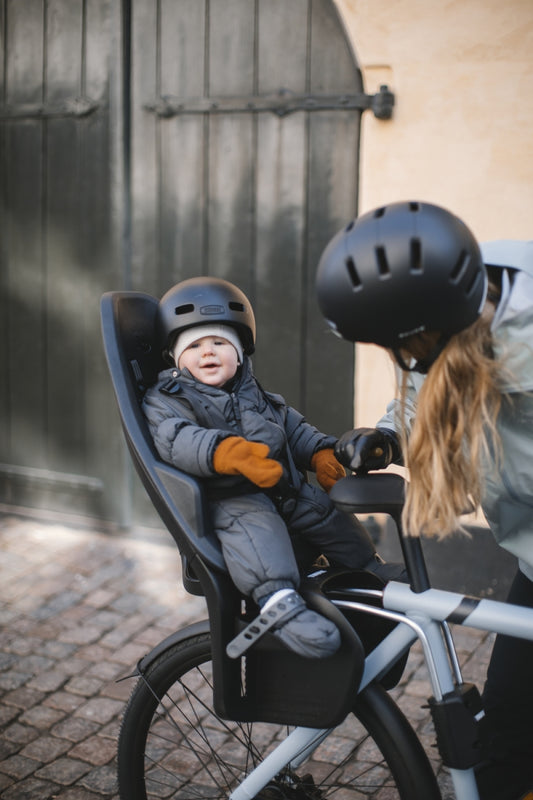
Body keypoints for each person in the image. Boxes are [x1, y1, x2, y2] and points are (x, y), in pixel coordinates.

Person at [315, 199, 533, 800]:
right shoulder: (452, 307)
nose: (401, 361)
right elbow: (423, 391)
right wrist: (389, 437)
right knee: (507, 740)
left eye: (401, 348)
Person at [143, 276, 404, 660]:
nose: (207, 352)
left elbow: (291, 427)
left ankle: (367, 571)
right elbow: (175, 439)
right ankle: (280, 605)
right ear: (176, 357)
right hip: (232, 501)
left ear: (240, 353)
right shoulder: (168, 399)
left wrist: (320, 453)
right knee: (258, 536)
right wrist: (227, 453)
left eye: (219, 343)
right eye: (194, 345)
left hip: (285, 491)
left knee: (330, 515)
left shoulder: (252, 391)